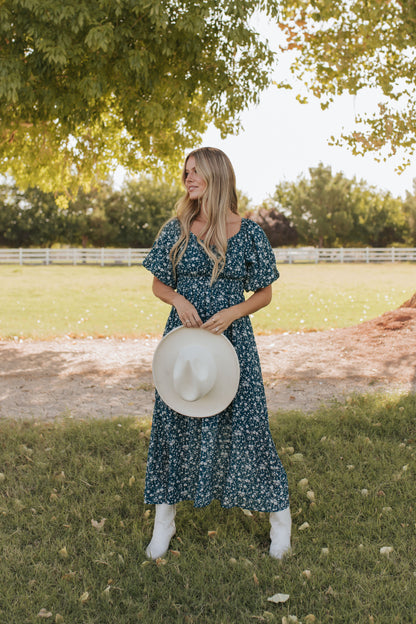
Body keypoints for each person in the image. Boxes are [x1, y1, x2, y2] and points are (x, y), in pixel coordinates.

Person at [142, 147, 291, 560]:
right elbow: (157, 285)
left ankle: (280, 522)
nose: (187, 179)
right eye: (185, 172)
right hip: (184, 344)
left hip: (232, 342)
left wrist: (232, 311)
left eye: (196, 173)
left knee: (249, 425)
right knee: (174, 424)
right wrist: (177, 300)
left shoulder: (249, 233)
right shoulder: (177, 229)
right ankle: (164, 522)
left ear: (217, 176)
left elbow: (265, 293)